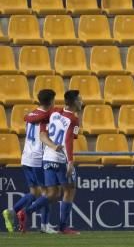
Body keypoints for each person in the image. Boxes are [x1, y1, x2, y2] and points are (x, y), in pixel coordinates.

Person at [3, 89, 56, 233]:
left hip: (26, 157)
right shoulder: (47, 117)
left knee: (34, 192)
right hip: (38, 159)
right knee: (47, 193)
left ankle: (11, 211)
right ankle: (43, 225)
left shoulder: (31, 114)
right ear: (51, 100)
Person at [39, 90, 84, 235]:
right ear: (74, 103)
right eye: (79, 99)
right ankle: (63, 227)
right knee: (69, 190)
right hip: (61, 159)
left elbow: (43, 129)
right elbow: (69, 140)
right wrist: (70, 161)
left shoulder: (55, 112)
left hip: (47, 156)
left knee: (52, 193)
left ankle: (25, 212)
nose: (81, 101)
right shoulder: (74, 120)